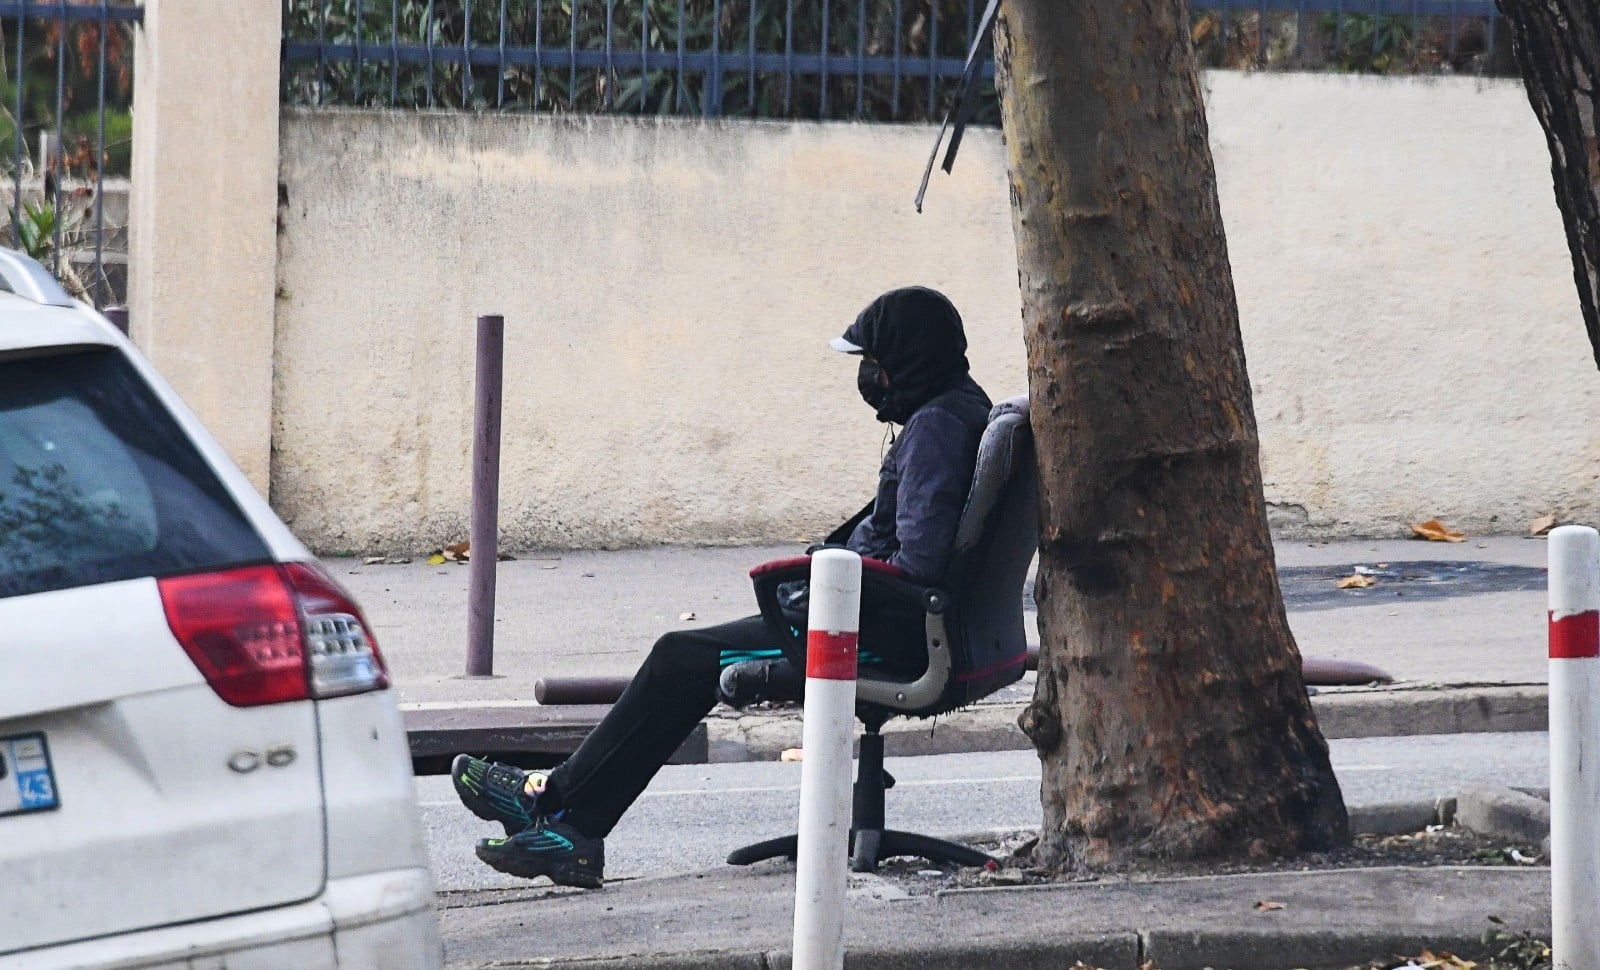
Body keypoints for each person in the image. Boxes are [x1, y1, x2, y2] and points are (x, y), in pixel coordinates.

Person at [450, 286, 994, 889]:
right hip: (885, 618)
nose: (871, 377)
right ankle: (562, 817)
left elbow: (915, 565)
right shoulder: (953, 410)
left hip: (880, 633)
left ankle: (560, 815)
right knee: (684, 655)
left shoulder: (937, 429)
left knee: (681, 659)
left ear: (911, 360)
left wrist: (818, 580)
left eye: (877, 363)